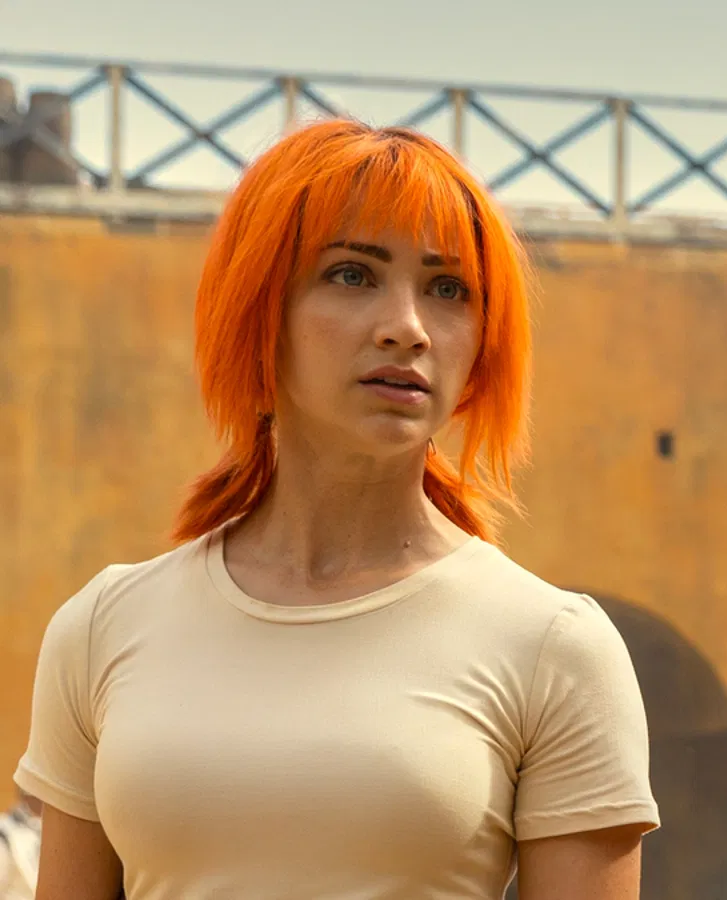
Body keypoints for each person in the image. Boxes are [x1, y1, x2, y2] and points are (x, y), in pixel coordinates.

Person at [14, 119, 659, 899]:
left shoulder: (553, 646)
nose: (407, 329)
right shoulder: (103, 629)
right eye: (352, 275)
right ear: (259, 309)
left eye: (448, 289)